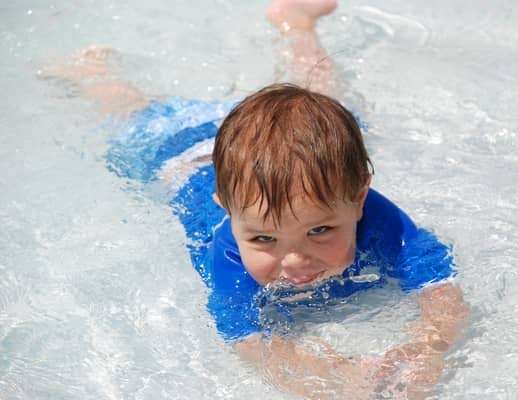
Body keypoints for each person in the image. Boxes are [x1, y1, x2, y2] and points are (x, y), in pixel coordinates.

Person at [43, 0, 468, 398]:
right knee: (135, 115)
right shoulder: (226, 251)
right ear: (229, 213)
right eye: (264, 240)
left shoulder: (377, 216)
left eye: (319, 230)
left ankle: (296, 23)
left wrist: (426, 347)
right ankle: (91, 72)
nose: (295, 262)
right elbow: (247, 342)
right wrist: (336, 380)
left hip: (265, 158)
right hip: (182, 156)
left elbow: (440, 284)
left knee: (331, 104)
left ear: (358, 200)